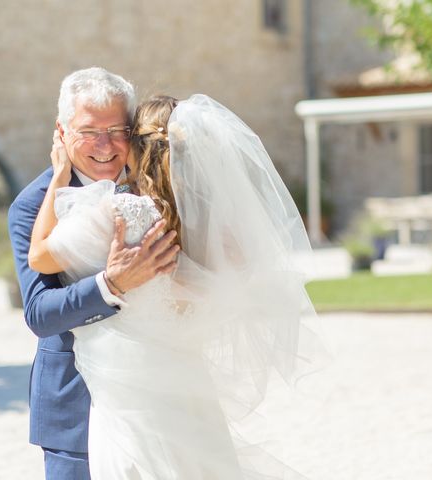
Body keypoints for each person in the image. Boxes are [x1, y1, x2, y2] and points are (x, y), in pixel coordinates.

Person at [28, 94, 327, 479]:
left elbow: (39, 256)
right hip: (188, 383)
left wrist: (57, 177)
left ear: (137, 146)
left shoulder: (123, 213)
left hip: (129, 390)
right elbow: (231, 290)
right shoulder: (215, 228)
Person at [7, 68, 180, 480]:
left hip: (162, 393)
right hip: (76, 408)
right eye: (89, 131)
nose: (105, 146)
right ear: (61, 133)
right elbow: (39, 314)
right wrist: (112, 284)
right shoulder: (32, 206)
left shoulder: (159, 187)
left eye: (117, 129)